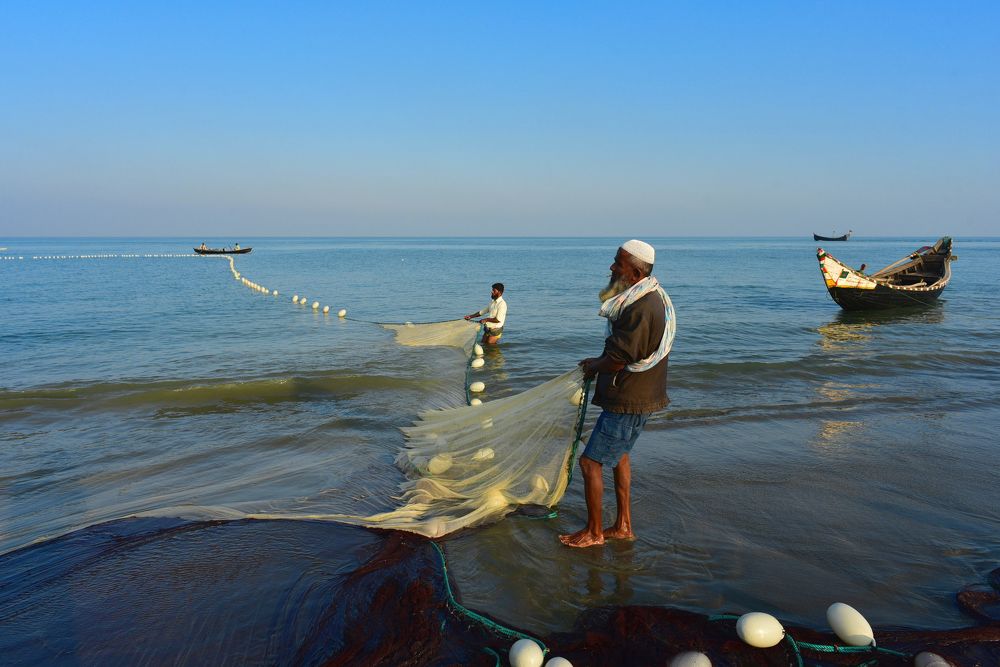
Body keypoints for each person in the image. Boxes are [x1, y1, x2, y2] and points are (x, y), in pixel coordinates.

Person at [561, 240, 675, 548]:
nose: (612, 268)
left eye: (618, 264)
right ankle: (623, 526)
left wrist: (595, 365)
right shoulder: (651, 296)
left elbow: (619, 357)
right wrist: (599, 362)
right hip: (640, 396)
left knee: (590, 463)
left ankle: (594, 533)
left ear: (636, 272)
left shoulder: (639, 307)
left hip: (628, 400)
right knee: (620, 457)